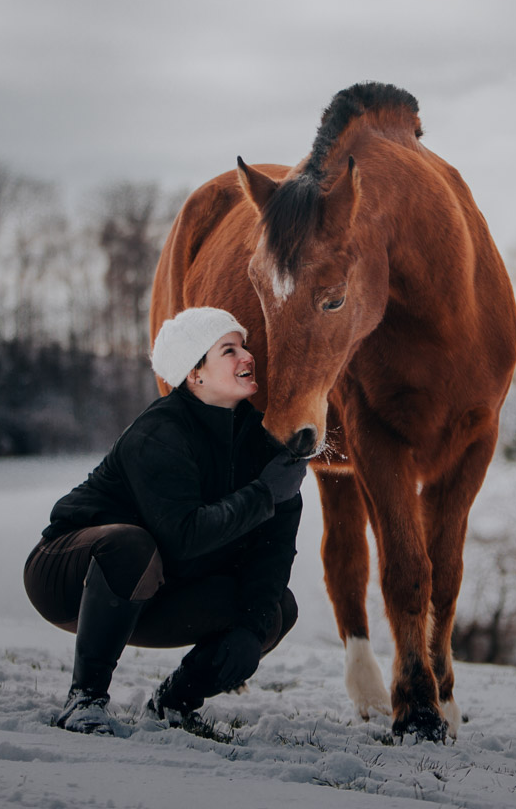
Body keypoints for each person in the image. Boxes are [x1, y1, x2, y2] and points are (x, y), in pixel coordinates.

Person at [23, 306, 308, 735]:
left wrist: (251, 631)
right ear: (195, 373)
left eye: (244, 346)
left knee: (274, 608)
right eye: (229, 350)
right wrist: (265, 494)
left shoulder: (259, 445)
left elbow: (273, 550)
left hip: (157, 588)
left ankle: (175, 701)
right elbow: (182, 537)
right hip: (68, 574)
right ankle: (85, 699)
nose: (248, 357)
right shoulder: (160, 432)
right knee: (132, 545)